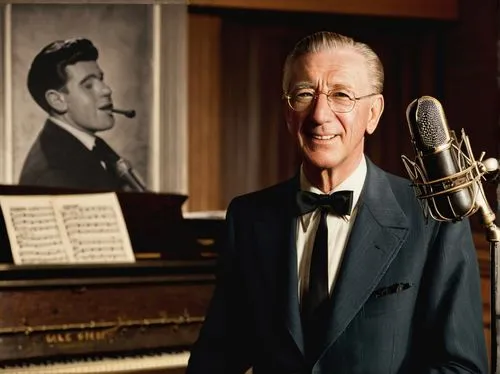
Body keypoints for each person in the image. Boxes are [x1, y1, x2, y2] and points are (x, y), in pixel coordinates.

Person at [186, 31, 488, 373]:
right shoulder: (248, 217)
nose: (320, 115)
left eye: (341, 95)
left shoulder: (434, 216)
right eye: (303, 94)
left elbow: (461, 367)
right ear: (287, 111)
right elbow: (217, 356)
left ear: (373, 113)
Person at [19, 37, 145, 191]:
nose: (106, 90)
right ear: (57, 100)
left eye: (101, 79)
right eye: (88, 85)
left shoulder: (90, 147)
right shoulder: (54, 173)